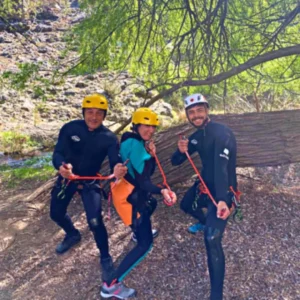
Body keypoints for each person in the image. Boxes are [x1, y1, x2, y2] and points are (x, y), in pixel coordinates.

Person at [100, 107, 177, 299]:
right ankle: (111, 285)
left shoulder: (132, 140)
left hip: (132, 196)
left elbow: (141, 172)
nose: (150, 130)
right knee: (145, 244)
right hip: (131, 201)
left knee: (152, 205)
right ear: (136, 125)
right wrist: (162, 190)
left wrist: (149, 153)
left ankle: (137, 232)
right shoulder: (135, 145)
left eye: (152, 127)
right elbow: (145, 181)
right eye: (145, 125)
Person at [50, 93, 127, 282]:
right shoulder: (70, 129)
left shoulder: (109, 137)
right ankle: (72, 234)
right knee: (56, 214)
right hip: (67, 178)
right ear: (83, 112)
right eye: (90, 112)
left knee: (95, 222)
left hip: (90, 181)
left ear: (104, 116)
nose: (94, 117)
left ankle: (106, 257)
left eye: (99, 113)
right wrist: (61, 167)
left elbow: (114, 160)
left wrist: (117, 169)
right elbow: (58, 152)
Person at [171, 93, 238, 300]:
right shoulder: (196, 136)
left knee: (212, 238)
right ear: (188, 116)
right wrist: (182, 150)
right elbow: (175, 162)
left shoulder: (222, 133)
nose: (196, 115)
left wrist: (223, 200)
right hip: (204, 186)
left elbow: (221, 168)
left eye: (200, 110)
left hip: (223, 190)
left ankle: (216, 295)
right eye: (191, 112)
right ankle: (204, 221)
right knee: (185, 205)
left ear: (207, 110)